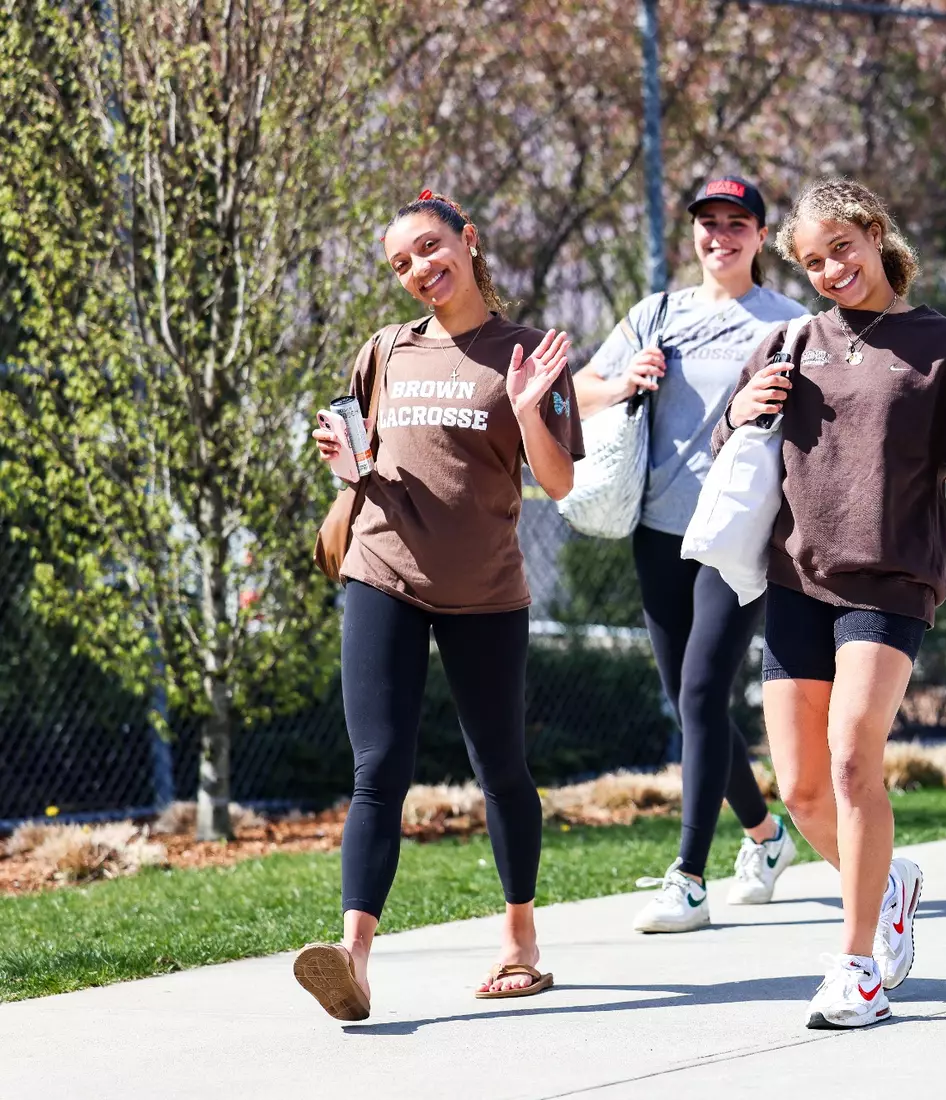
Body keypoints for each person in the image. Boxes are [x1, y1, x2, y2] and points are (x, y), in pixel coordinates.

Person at [715, 178, 946, 1030]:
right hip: (798, 576)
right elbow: (733, 453)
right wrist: (736, 412)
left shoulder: (943, 345)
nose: (831, 269)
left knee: (849, 763)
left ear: (875, 233)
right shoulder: (789, 341)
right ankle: (891, 882)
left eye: (842, 247)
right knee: (801, 795)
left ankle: (858, 963)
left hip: (893, 579)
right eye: (812, 261)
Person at [294, 190, 583, 1020]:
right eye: (402, 263)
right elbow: (362, 455)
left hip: (486, 594)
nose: (420, 270)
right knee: (378, 769)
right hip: (382, 571)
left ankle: (521, 939)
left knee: (501, 769)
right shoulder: (386, 351)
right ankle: (351, 957)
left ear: (468, 241)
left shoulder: (530, 353)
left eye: (429, 248)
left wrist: (529, 411)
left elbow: (560, 483)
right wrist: (342, 464)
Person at [573, 176, 808, 934]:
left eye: (736, 223)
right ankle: (767, 840)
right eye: (708, 224)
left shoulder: (789, 322)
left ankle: (688, 878)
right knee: (689, 702)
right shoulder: (658, 314)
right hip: (658, 526)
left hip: (736, 531)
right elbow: (576, 391)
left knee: (704, 695)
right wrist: (622, 385)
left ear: (760, 237)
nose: (720, 236)